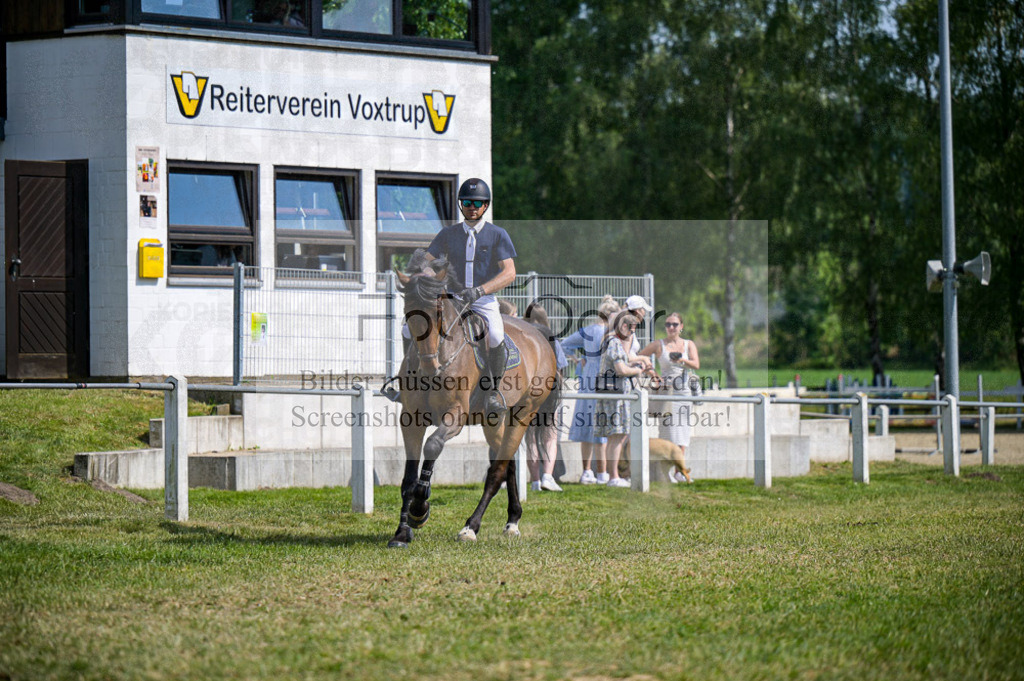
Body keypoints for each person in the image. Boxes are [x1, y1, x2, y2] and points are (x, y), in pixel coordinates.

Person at [421, 178, 517, 416]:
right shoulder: (448, 234)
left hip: (482, 300)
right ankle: (405, 383)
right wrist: (430, 278)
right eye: (467, 202)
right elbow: (426, 262)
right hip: (451, 298)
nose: (471, 207)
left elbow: (510, 272)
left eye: (477, 202)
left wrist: (480, 291)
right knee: (409, 328)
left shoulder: (497, 235)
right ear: (460, 204)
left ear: (485, 206)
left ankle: (493, 392)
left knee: (495, 335)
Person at [560, 295, 620, 484]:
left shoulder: (588, 330)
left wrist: (578, 359)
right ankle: (602, 473)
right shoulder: (613, 334)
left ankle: (587, 471)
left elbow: (564, 344)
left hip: (587, 377)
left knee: (586, 423)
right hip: (605, 378)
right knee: (602, 426)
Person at [593, 309, 655, 487]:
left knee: (617, 436)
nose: (633, 332)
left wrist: (636, 362)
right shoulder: (614, 341)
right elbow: (620, 369)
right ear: (624, 326)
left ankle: (614, 476)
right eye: (632, 328)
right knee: (617, 435)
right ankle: (613, 477)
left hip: (616, 394)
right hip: (616, 396)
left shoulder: (613, 341)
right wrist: (638, 370)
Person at [639, 312, 700, 483]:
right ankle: (664, 473)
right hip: (666, 393)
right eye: (668, 324)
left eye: (674, 324)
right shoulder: (659, 345)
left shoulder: (688, 344)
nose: (671, 328)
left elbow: (696, 364)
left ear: (681, 326)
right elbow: (640, 357)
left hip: (684, 392)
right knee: (668, 433)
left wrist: (682, 360)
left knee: (682, 434)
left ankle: (680, 471)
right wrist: (653, 373)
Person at [522, 303, 566, 491]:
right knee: (549, 436)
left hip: (527, 392)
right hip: (549, 389)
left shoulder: (522, 336)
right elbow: (561, 366)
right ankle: (548, 476)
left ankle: (535, 481)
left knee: (530, 437)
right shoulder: (550, 337)